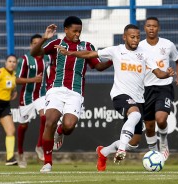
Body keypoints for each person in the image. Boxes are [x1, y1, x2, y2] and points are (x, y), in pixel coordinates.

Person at [56, 24, 175, 172]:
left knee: (134, 143)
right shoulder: (115, 50)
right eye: (132, 37)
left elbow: (158, 73)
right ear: (124, 37)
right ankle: (121, 150)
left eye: (138, 37)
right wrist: (70, 53)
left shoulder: (145, 54)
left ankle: (103, 152)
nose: (136, 40)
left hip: (139, 99)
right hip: (120, 95)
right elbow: (90, 54)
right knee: (135, 114)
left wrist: (167, 73)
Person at [30, 16, 112, 173]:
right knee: (50, 121)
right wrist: (44, 38)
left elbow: (99, 66)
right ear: (66, 29)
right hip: (55, 89)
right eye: (74, 31)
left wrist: (114, 59)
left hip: (75, 92)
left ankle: (60, 132)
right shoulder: (56, 44)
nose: (77, 34)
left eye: (79, 31)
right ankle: (48, 163)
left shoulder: (87, 46)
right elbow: (35, 53)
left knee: (68, 126)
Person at [140, 17, 178, 161]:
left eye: (154, 26)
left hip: (164, 87)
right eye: (148, 26)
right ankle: (154, 153)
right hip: (146, 89)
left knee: (161, 118)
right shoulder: (139, 47)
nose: (151, 28)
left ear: (158, 28)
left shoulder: (168, 44)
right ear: (144, 28)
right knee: (150, 126)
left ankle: (164, 141)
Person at [16, 34, 51, 168]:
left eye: (39, 43)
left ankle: (39, 146)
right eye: (35, 43)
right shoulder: (25, 59)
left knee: (45, 117)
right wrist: (32, 80)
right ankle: (20, 153)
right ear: (31, 45)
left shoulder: (47, 58)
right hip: (27, 97)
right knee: (23, 126)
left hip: (41, 94)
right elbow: (17, 80)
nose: (37, 45)